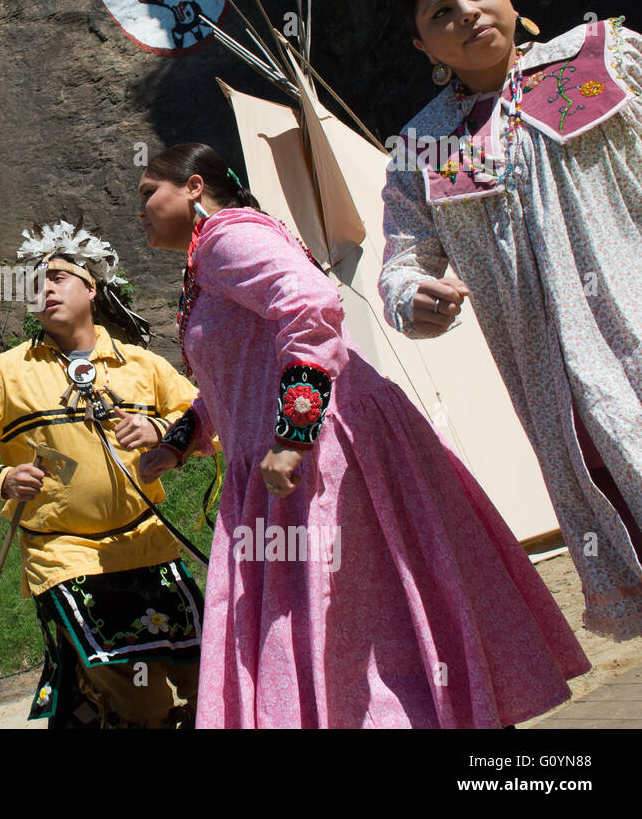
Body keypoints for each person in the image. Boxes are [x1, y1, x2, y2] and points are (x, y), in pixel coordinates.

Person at [137, 142, 590, 728]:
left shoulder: (227, 237)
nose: (140, 208)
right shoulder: (208, 261)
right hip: (295, 453)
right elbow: (239, 372)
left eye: (150, 193)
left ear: (195, 187)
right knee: (360, 624)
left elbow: (310, 302)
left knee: (351, 628)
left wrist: (294, 432)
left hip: (323, 449)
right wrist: (179, 439)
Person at [379, 0, 642, 640]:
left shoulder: (600, 59)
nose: (467, 12)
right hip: (563, 392)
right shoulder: (425, 145)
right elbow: (403, 259)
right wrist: (414, 297)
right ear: (421, 43)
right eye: (442, 12)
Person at [0, 222, 205, 728]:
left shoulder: (140, 365)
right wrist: (0, 479)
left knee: (207, 679)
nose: (45, 289)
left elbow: (212, 420)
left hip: (151, 547)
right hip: (66, 557)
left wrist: (165, 430)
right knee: (143, 703)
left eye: (57, 277)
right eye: (35, 285)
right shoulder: (1, 374)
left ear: (93, 288)